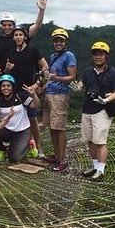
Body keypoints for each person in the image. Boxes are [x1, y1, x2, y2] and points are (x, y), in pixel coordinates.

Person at [79, 41, 115, 180]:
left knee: (100, 141)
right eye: (96, 54)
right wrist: (77, 87)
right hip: (87, 109)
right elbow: (82, 84)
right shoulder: (87, 72)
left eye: (101, 54)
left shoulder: (112, 73)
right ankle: (95, 166)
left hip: (102, 111)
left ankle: (101, 170)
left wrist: (107, 100)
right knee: (90, 140)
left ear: (106, 56)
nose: (98, 57)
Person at [4, 24, 48, 158]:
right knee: (16, 118)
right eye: (16, 35)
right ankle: (19, 146)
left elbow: (45, 67)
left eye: (20, 35)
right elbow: (6, 73)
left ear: (25, 37)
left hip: (28, 91)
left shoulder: (33, 51)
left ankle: (38, 147)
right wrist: (7, 68)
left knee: (32, 118)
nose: (18, 37)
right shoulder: (11, 53)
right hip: (14, 91)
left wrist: (37, 84)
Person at [41, 28, 77, 172]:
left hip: (60, 95)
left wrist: (57, 79)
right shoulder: (53, 56)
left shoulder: (69, 56)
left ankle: (62, 160)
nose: (58, 43)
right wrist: (46, 85)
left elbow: (72, 77)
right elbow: (51, 77)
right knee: (52, 127)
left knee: (59, 128)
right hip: (50, 93)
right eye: (56, 40)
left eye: (61, 40)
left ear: (65, 42)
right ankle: (56, 156)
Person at [0, 74, 41, 163]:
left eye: (8, 86)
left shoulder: (20, 97)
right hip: (7, 129)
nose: (6, 88)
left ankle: (29, 145)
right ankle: (2, 149)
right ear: (0, 87)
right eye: (3, 86)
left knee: (14, 158)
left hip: (22, 131)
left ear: (12, 87)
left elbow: (36, 105)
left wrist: (33, 95)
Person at [0, 0, 47, 75]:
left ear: (14, 25)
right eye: (4, 25)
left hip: (24, 77)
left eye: (10, 25)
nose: (7, 27)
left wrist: (41, 11)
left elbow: (37, 26)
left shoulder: (20, 36)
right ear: (1, 26)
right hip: (6, 79)